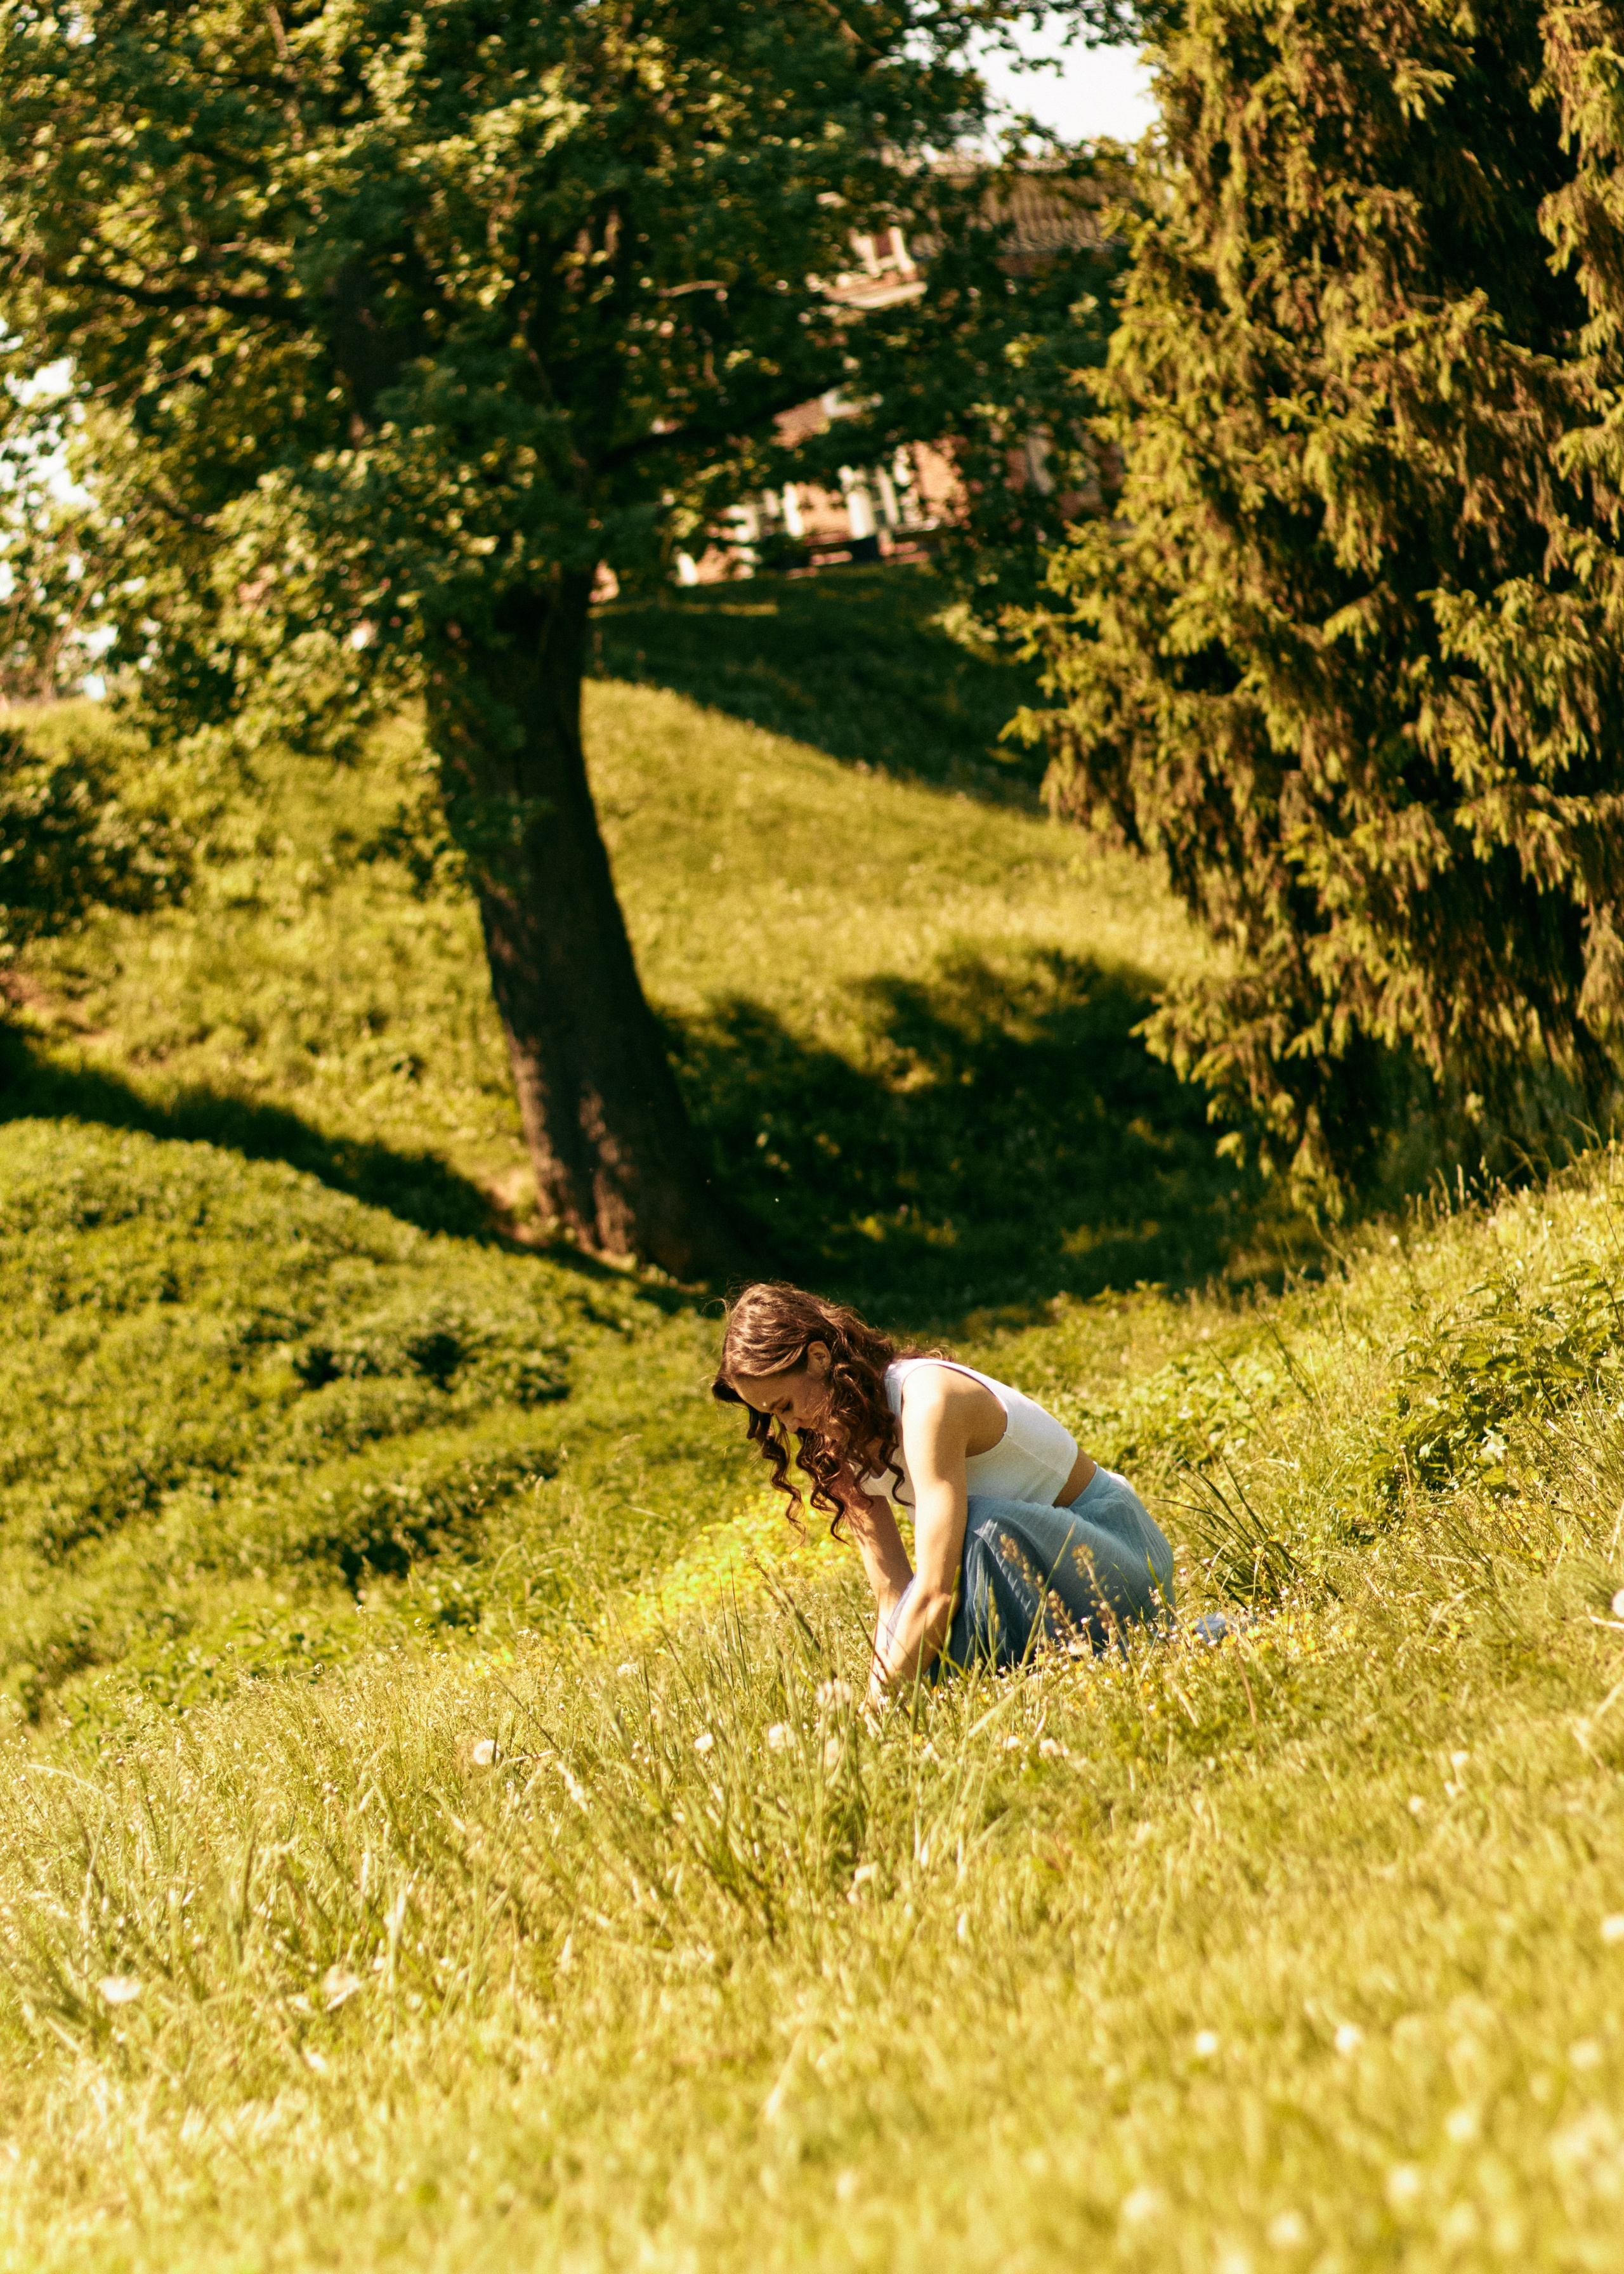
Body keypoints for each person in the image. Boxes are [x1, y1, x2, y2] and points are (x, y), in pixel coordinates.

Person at [712, 1282, 1175, 1700]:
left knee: (975, 1530)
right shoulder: (834, 1450)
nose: (790, 1426)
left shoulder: (930, 1401)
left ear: (818, 1358)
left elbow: (937, 1590)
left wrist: (877, 1708)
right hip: (1014, 1573)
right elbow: (893, 1595)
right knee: (920, 1662)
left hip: (1117, 1558)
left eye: (787, 1405)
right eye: (775, 1416)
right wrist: (883, 1696)